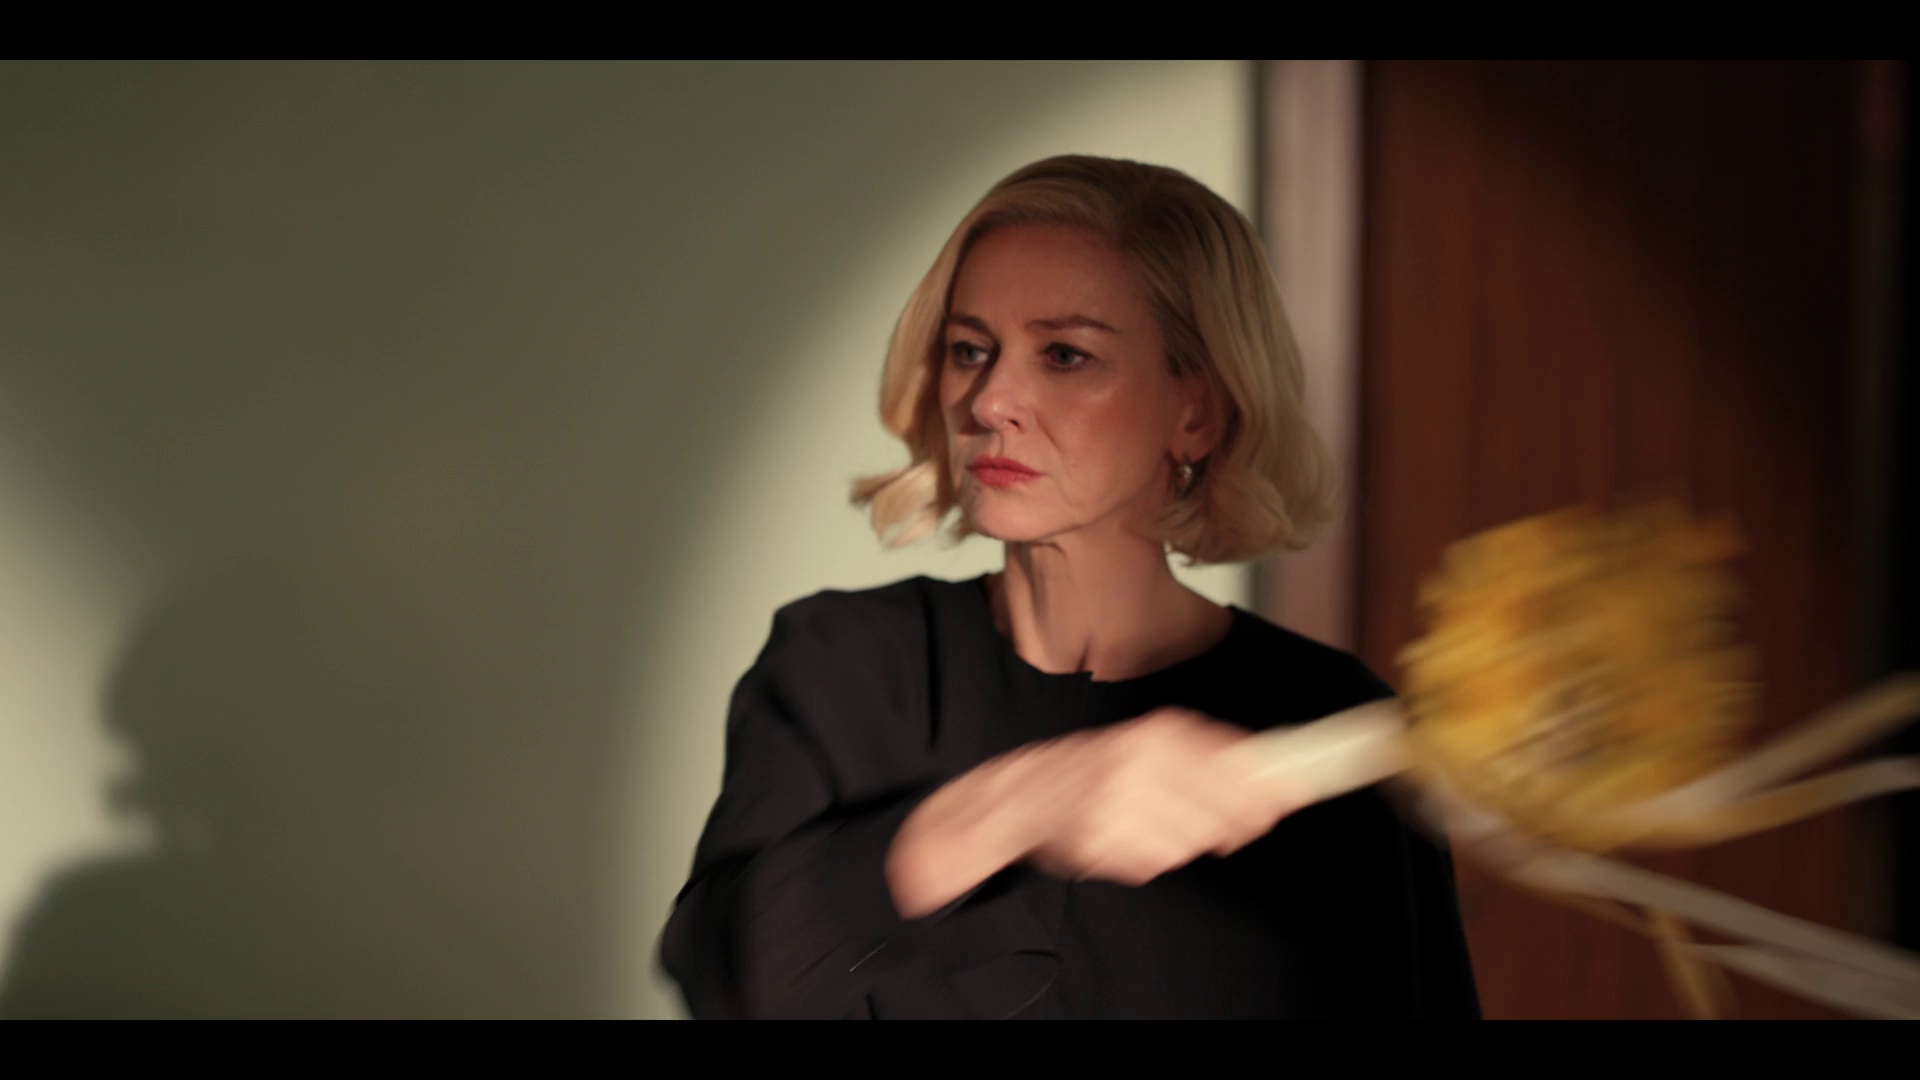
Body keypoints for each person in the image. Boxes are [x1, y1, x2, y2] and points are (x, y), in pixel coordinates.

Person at [658, 154, 1481, 1019]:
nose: (990, 402)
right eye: (971, 351)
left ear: (1196, 412)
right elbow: (724, 972)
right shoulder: (845, 665)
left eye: (1064, 355)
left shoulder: (1329, 716)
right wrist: (1024, 804)